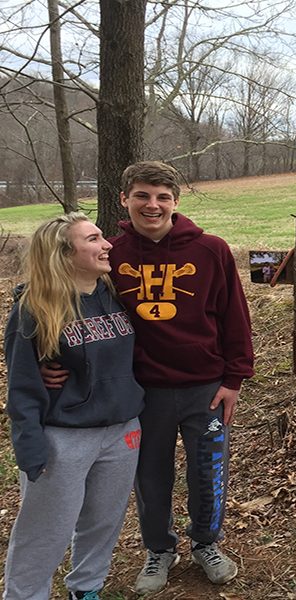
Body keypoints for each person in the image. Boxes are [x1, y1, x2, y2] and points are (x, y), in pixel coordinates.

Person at [41, 161, 254, 594]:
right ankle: (159, 549)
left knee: (208, 471)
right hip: (142, 392)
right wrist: (50, 356)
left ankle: (206, 543)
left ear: (176, 202)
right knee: (150, 476)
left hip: (205, 389)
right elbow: (71, 304)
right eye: (142, 195)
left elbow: (235, 317)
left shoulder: (211, 250)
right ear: (124, 199)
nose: (152, 205)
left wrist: (234, 378)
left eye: (162, 197)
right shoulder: (111, 255)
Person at [4, 213, 144, 600]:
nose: (107, 245)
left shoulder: (114, 292)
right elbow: (23, 385)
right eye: (94, 239)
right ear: (65, 254)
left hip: (121, 431)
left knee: (103, 522)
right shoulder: (35, 308)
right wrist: (29, 443)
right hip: (64, 437)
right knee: (46, 529)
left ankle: (86, 588)